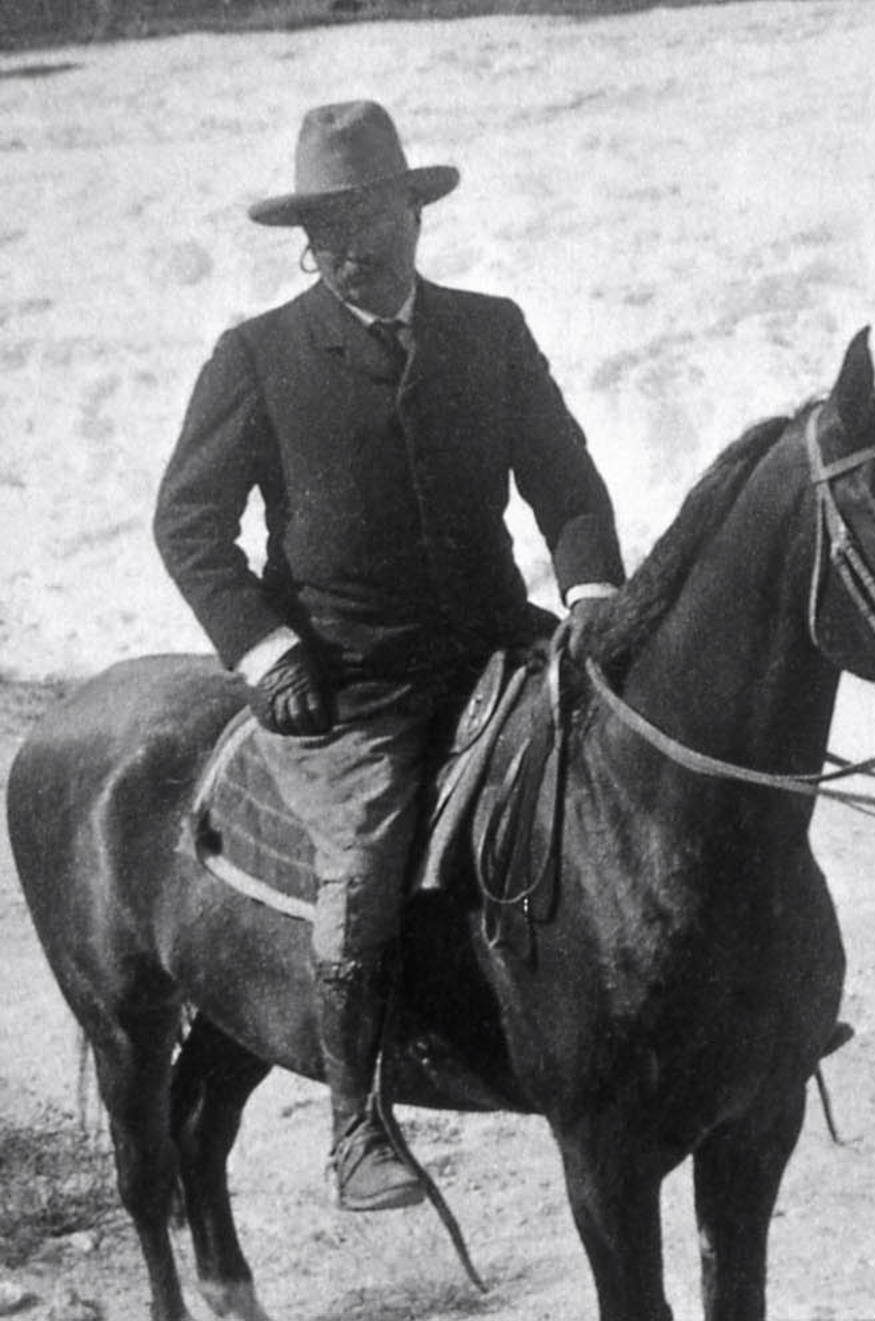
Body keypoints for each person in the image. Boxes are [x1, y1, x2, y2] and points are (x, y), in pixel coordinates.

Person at [154, 100, 626, 1210]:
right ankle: (357, 1122)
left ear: (410, 215)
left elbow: (566, 483)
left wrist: (592, 593)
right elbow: (190, 525)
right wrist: (266, 649)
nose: (338, 251)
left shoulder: (490, 332)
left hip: (497, 641)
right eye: (318, 231)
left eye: (359, 220)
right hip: (347, 678)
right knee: (363, 859)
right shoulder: (258, 357)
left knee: (639, 765)